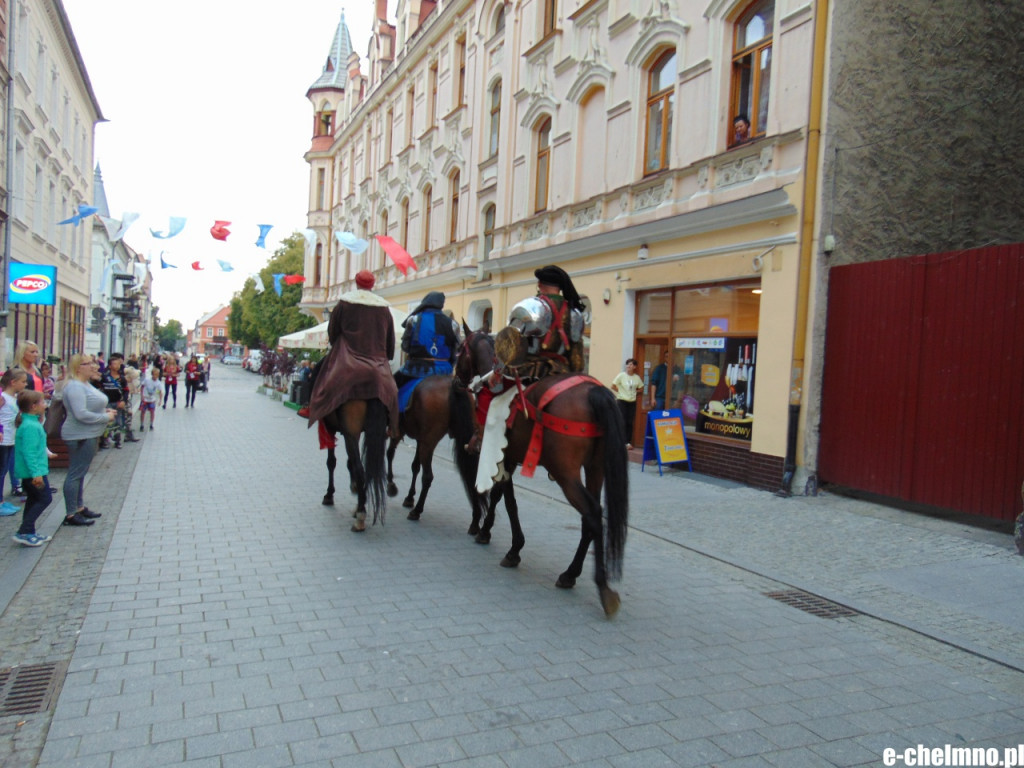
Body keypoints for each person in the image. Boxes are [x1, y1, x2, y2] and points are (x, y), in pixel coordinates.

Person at [468, 264, 585, 457]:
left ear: (540, 284)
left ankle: (483, 441)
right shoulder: (574, 312)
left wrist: (497, 373)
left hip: (530, 372)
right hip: (563, 373)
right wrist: (576, 378)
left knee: (486, 393)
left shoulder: (530, 307)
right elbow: (577, 355)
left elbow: (509, 345)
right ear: (559, 286)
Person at [306, 269, 399, 437]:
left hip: (346, 358)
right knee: (393, 390)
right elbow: (389, 339)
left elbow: (333, 331)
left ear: (357, 283)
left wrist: (336, 347)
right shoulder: (384, 308)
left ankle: (311, 407)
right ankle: (393, 425)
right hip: (377, 363)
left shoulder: (344, 303)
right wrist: (387, 357)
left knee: (318, 373)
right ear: (372, 285)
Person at [61, 353, 116, 526]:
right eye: (88, 363)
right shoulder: (75, 386)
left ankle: (79, 507)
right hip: (79, 435)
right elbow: (80, 414)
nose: (93, 366)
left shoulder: (85, 384)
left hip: (88, 434)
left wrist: (103, 412)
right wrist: (105, 418)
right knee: (75, 473)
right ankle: (71, 514)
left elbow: (90, 407)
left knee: (81, 472)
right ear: (78, 367)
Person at [394, 291, 461, 390]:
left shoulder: (413, 320)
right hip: (444, 370)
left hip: (417, 369)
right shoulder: (453, 324)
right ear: (441, 305)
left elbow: (405, 347)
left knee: (392, 385)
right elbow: (456, 351)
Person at [11, 390, 53, 546]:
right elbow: (29, 452)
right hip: (34, 473)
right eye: (42, 402)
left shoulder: (31, 422)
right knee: (45, 498)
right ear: (33, 406)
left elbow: (35, 448)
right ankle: (24, 530)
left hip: (34, 471)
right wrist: (36, 473)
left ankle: (29, 532)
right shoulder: (30, 426)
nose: (45, 405)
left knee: (34, 499)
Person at [0, 368, 28, 500]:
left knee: (4, 470)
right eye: (23, 382)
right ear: (13, 382)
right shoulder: (3, 398)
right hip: (3, 439)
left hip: (11, 439)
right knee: (1, 471)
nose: (25, 384)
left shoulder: (14, 398)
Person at [610, 358, 644, 449]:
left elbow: (641, 388)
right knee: (622, 421)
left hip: (632, 402)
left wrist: (635, 392)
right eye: (628, 364)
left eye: (631, 365)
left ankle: (627, 442)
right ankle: (620, 441)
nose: (629, 366)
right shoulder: (621, 376)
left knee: (629, 422)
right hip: (622, 401)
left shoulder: (636, 377)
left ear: (635, 367)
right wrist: (621, 391)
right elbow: (613, 386)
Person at [100, 353, 129, 449]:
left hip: (118, 402)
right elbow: (99, 387)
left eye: (118, 364)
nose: (117, 366)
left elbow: (126, 391)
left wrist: (124, 401)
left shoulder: (122, 378)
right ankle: (105, 440)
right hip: (107, 403)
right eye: (115, 364)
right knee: (106, 422)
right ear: (110, 365)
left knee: (118, 422)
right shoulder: (105, 377)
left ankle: (118, 440)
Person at [122, 366, 141, 442]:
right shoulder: (124, 381)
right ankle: (126, 435)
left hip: (127, 398)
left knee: (128, 417)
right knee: (127, 416)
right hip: (124, 399)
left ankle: (127, 434)